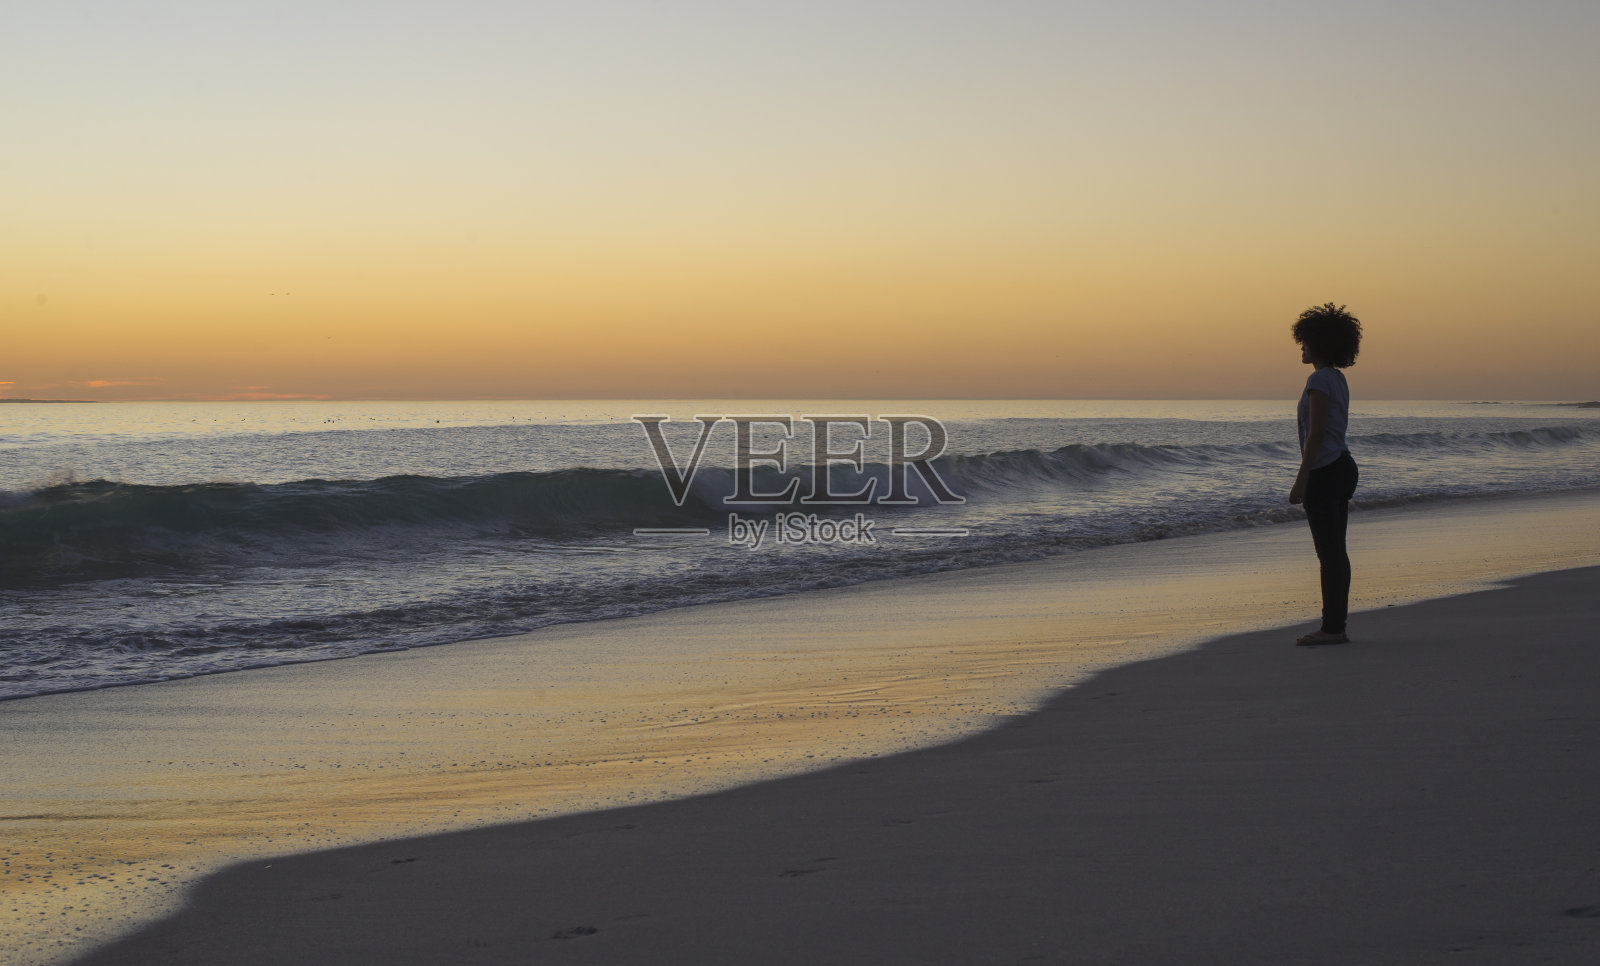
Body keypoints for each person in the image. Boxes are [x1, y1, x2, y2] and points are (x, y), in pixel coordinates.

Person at [1287, 303, 1362, 645]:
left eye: (1304, 342)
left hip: (1326, 469)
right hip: (1342, 466)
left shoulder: (1318, 379)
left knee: (1329, 554)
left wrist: (1302, 478)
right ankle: (1336, 624)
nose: (1301, 347)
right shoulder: (1337, 378)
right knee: (1336, 552)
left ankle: (1333, 628)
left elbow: (1316, 433)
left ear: (1318, 342)